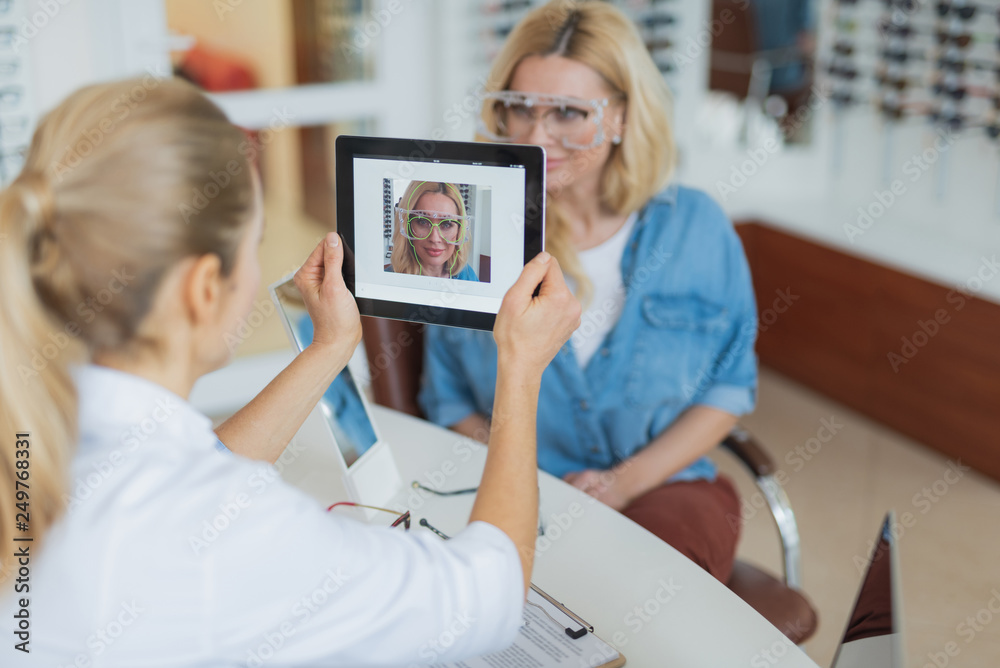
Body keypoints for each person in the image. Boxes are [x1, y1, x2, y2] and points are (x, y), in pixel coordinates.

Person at [0, 77, 580, 665]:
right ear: (204, 288)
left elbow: (195, 473)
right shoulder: (236, 535)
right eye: (256, 246)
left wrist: (330, 345)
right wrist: (522, 366)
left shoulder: (34, 433)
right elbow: (491, 596)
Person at [419, 0, 758, 584]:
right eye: (519, 108)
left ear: (623, 118)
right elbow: (450, 402)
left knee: (642, 593)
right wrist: (527, 479)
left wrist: (622, 483)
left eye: (570, 113)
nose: (536, 135)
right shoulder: (466, 240)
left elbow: (729, 387)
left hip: (662, 485)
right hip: (514, 483)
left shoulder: (696, 227)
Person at [388, 180, 479, 280]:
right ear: (406, 225)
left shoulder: (468, 276)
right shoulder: (387, 280)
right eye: (422, 222)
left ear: (459, 230)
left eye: (447, 224)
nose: (434, 238)